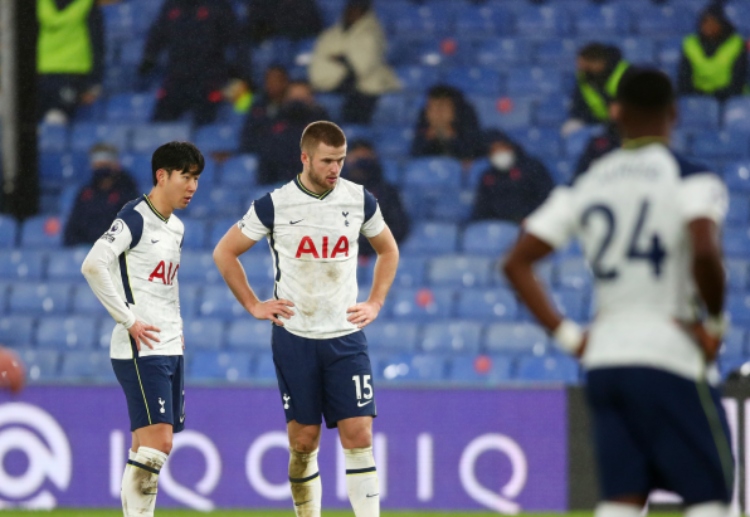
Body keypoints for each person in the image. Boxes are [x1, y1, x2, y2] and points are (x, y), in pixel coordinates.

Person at [504, 69, 732, 517]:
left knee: (622, 497)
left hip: (605, 358)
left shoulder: (587, 183)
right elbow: (704, 253)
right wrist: (714, 325)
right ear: (674, 113)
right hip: (670, 351)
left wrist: (572, 338)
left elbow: (516, 262)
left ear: (616, 113)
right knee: (710, 494)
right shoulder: (691, 177)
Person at [213, 121, 399, 517]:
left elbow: (388, 250)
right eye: (328, 161)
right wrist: (253, 304)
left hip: (345, 338)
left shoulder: (359, 200)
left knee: (359, 433)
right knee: (303, 441)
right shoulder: (275, 205)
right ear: (305, 158)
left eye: (341, 160)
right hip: (295, 337)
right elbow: (224, 253)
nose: (336, 169)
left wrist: (375, 302)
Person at [81, 142, 204, 517]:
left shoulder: (177, 227)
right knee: (159, 444)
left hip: (168, 345)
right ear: (161, 175)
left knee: (143, 449)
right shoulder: (134, 216)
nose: (192, 186)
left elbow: (166, 287)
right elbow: (93, 265)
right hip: (140, 346)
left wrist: (177, 328)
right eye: (185, 176)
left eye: (196, 178)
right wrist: (128, 319)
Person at [138, 0, 250, 126]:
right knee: (159, 123)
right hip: (177, 78)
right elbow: (157, 34)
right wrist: (149, 57)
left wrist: (241, 72)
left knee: (204, 126)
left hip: (208, 79)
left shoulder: (217, 5)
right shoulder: (171, 6)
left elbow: (237, 41)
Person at [308, 0, 401, 124]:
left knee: (357, 111)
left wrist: (342, 60)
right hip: (332, 86)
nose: (352, 13)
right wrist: (344, 61)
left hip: (366, 91)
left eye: (357, 10)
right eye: (350, 9)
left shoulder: (372, 33)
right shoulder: (331, 34)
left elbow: (361, 65)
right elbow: (320, 60)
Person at [247, 80, 330, 185]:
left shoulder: (323, 122)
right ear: (286, 99)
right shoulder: (274, 122)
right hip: (278, 180)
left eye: (302, 97)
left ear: (311, 99)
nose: (297, 102)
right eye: (294, 97)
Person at [36, 0, 104, 123]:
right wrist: (94, 82)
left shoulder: (41, 4)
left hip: (43, 69)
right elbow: (97, 43)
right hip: (73, 71)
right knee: (57, 118)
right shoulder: (86, 5)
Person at [471, 129, 555, 223]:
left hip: (534, 222)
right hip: (500, 228)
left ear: (510, 147)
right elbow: (481, 209)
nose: (499, 153)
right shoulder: (487, 177)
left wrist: (531, 217)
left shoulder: (532, 167)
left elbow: (547, 196)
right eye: (494, 150)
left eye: (502, 148)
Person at [63, 143, 139, 247]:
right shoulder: (85, 194)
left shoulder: (128, 192)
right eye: (98, 165)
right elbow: (71, 230)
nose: (102, 170)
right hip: (88, 251)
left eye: (105, 165)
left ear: (116, 165)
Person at [344, 139, 410, 256]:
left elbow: (399, 226)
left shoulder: (387, 192)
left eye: (365, 157)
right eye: (357, 157)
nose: (361, 162)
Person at [678, 2, 748, 101]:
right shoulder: (690, 43)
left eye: (713, 22)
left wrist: (716, 97)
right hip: (697, 97)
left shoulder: (736, 44)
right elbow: (684, 79)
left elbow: (738, 82)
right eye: (705, 21)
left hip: (729, 98)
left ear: (722, 24)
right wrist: (700, 95)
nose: (708, 26)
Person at [563, 43, 630, 136]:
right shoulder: (584, 77)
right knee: (570, 128)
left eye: (584, 64)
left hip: (626, 119)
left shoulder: (625, 72)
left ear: (596, 62)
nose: (580, 67)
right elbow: (578, 102)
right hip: (596, 120)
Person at [410, 84, 483, 160]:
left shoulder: (466, 125)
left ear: (454, 110)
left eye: (442, 108)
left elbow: (472, 156)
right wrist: (427, 139)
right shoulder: (424, 127)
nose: (438, 114)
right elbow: (415, 159)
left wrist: (452, 138)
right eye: (433, 108)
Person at [239, 65, 290, 155]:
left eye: (276, 80)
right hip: (261, 154)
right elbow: (248, 135)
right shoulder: (258, 106)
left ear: (285, 82)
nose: (272, 84)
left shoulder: (292, 107)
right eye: (268, 80)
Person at [246, 0, 323, 44]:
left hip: (302, 39)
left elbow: (315, 27)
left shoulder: (306, 4)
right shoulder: (262, 4)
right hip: (275, 41)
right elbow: (256, 29)